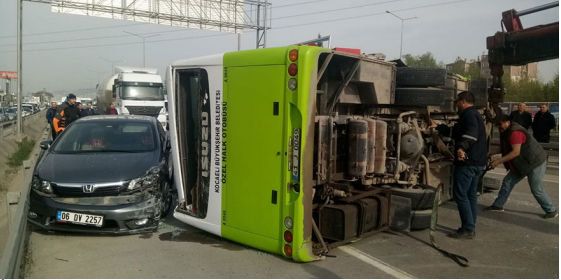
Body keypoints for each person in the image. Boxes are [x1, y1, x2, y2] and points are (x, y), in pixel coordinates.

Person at [430, 91, 487, 239]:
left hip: (468, 162)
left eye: (457, 102)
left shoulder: (469, 115)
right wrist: (438, 126)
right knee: (470, 195)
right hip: (477, 162)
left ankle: (468, 228)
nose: (455, 105)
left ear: (463, 101)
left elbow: (470, 134)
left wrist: (461, 147)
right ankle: (470, 225)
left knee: (460, 194)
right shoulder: (473, 115)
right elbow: (457, 132)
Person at [485, 115, 557, 219]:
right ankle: (498, 205)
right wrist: (490, 153)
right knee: (508, 181)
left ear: (508, 122)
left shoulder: (515, 132)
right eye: (497, 125)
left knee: (536, 189)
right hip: (523, 163)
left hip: (535, 162)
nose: (498, 127)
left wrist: (498, 161)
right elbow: (505, 147)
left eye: (500, 124)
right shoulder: (506, 131)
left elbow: (515, 152)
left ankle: (551, 210)